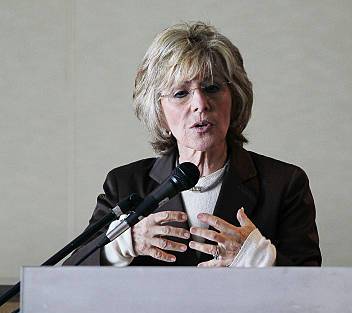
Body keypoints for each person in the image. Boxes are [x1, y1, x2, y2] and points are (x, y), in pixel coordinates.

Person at [65, 22, 321, 268]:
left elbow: (314, 291)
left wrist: (258, 258)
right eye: (180, 93)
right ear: (159, 112)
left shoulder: (284, 184)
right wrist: (124, 244)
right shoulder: (125, 184)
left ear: (235, 99)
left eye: (211, 87)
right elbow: (69, 277)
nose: (200, 103)